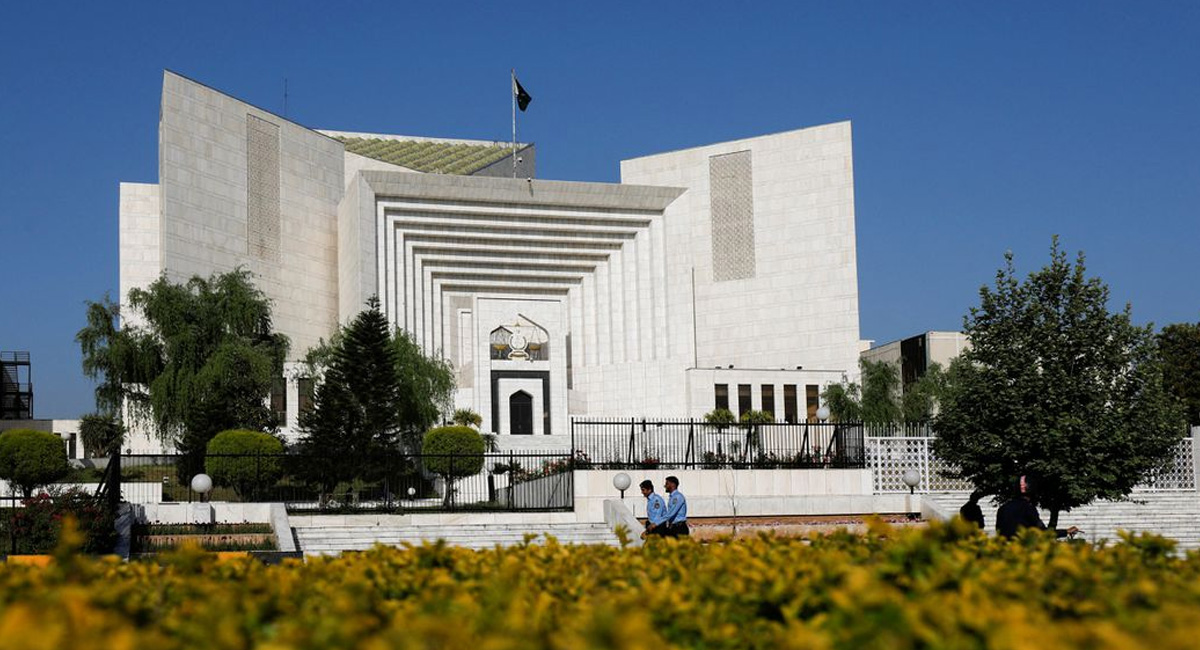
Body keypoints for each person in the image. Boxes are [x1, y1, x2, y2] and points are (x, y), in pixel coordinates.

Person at [995, 475, 1079, 540]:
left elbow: (999, 532)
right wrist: (1065, 531)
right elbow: (1043, 532)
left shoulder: (1002, 508)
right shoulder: (1029, 508)